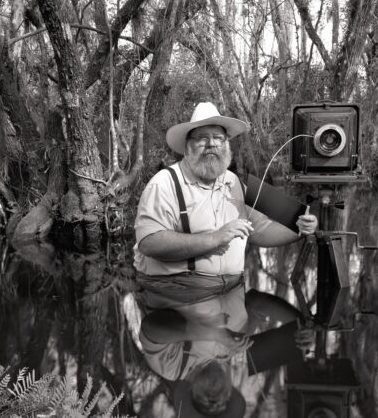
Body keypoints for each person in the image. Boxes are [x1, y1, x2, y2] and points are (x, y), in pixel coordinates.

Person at [133, 101, 318, 417]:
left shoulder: (234, 183)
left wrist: (299, 231)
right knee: (266, 315)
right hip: (178, 293)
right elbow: (149, 245)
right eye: (202, 138)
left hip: (232, 290)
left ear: (227, 145)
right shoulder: (164, 184)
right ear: (188, 146)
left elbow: (259, 233)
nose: (211, 145)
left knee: (266, 311)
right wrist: (214, 239)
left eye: (218, 138)